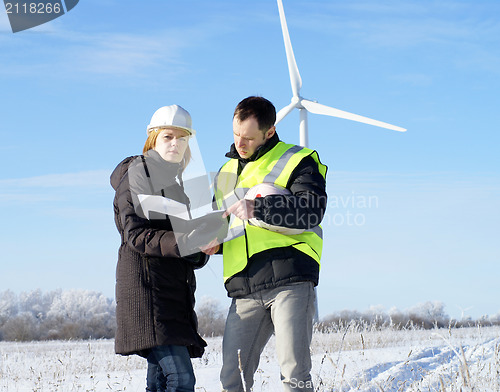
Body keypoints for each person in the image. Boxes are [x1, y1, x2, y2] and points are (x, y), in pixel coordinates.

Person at [203, 96, 328, 391]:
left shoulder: (299, 158)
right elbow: (221, 226)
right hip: (244, 287)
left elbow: (310, 211)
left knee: (294, 373)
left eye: (248, 138)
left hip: (291, 279)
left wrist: (257, 209)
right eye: (235, 135)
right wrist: (212, 242)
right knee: (232, 376)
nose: (239, 143)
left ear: (269, 132)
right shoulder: (224, 173)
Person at [110, 105, 212, 392]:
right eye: (168, 136)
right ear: (153, 138)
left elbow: (183, 242)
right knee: (181, 380)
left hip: (172, 293)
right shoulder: (136, 174)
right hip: (148, 291)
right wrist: (188, 242)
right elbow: (137, 234)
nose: (175, 144)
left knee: (159, 381)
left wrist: (204, 244)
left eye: (183, 138)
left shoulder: (175, 185)